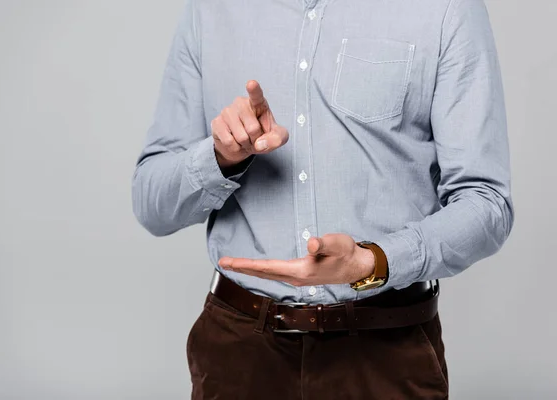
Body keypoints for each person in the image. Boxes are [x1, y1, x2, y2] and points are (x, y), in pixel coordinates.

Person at [131, 0, 514, 398]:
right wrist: (221, 158)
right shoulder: (211, 11)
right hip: (238, 355)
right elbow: (151, 202)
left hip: (385, 353)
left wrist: (374, 260)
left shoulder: (445, 9)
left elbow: (486, 201)